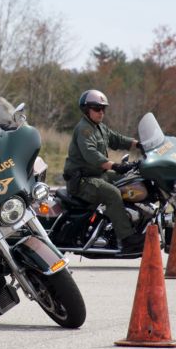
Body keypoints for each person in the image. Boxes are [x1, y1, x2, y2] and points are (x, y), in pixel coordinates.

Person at [63, 89, 145, 253]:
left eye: (103, 109)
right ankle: (127, 238)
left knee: (131, 179)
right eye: (97, 108)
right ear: (87, 109)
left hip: (97, 175)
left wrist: (140, 144)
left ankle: (135, 220)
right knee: (113, 193)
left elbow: (117, 139)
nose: (101, 112)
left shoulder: (99, 127)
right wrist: (114, 165)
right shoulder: (84, 129)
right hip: (81, 180)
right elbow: (91, 155)